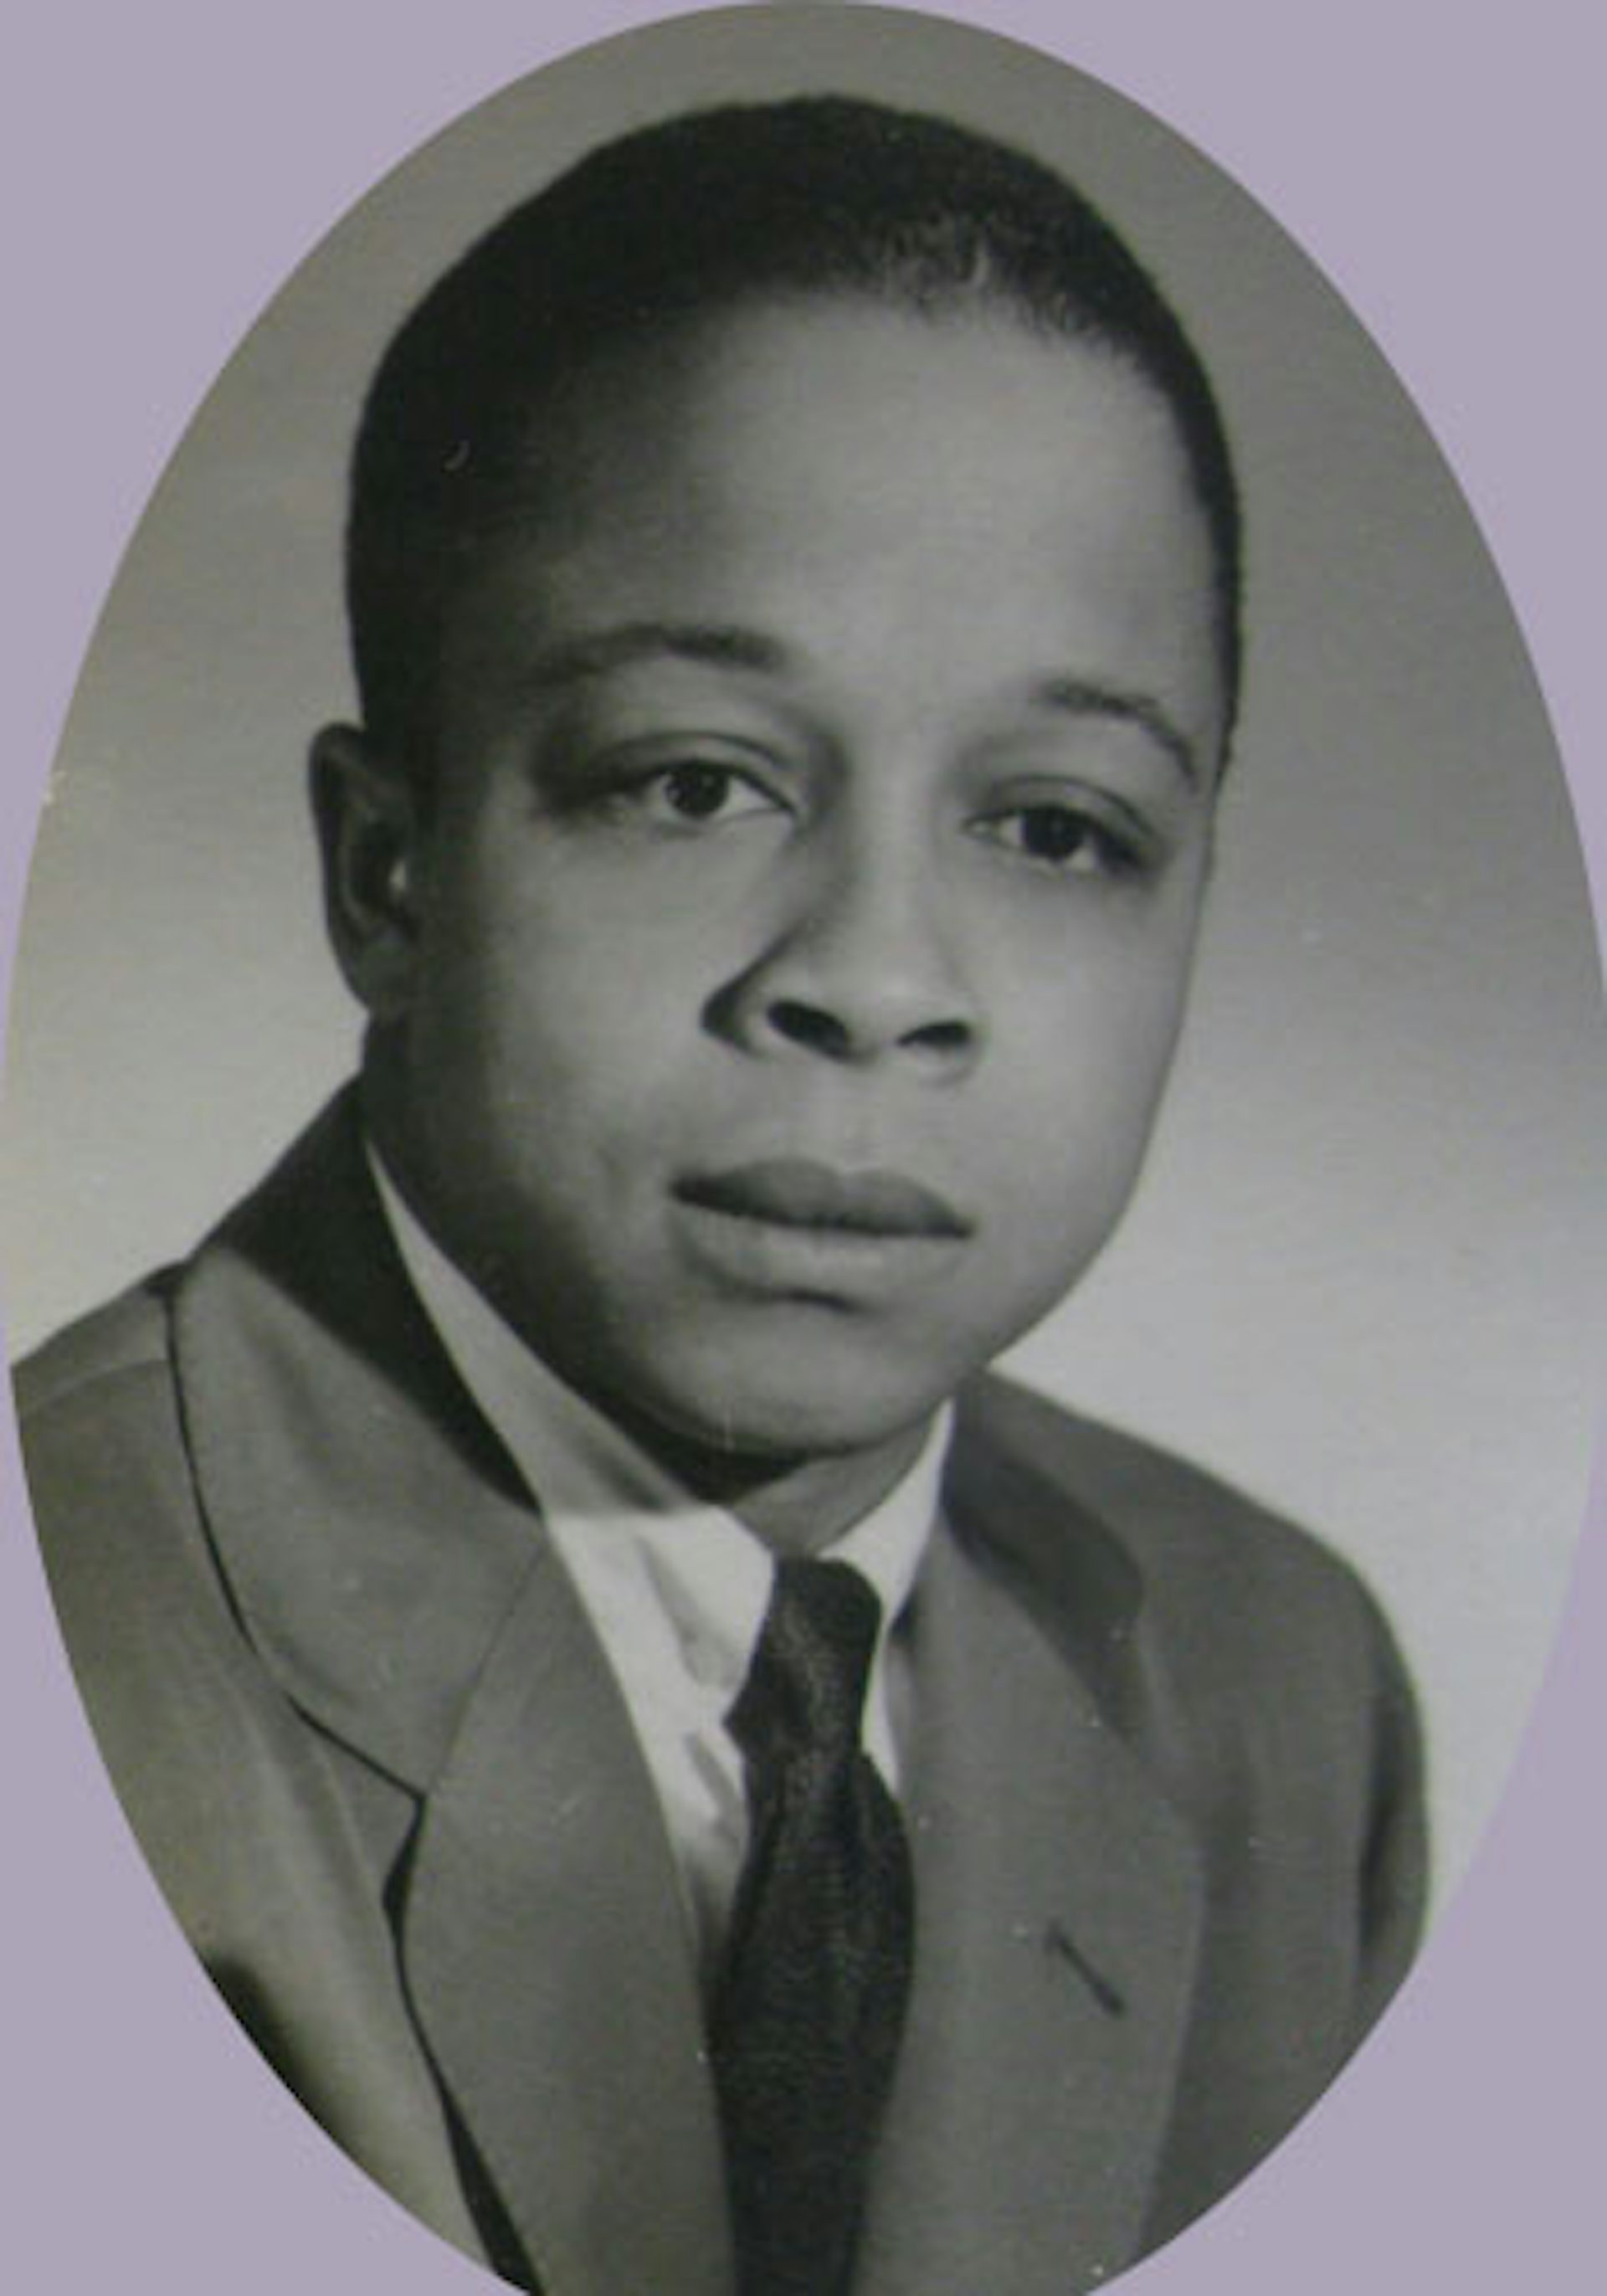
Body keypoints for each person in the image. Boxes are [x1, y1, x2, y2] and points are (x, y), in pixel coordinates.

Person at [15, 96, 1426, 2296]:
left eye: (1059, 827)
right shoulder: (65, 1649)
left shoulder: (1285, 1691)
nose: (873, 982)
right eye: (689, 780)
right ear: (390, 878)